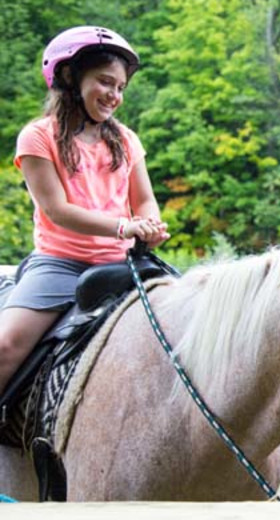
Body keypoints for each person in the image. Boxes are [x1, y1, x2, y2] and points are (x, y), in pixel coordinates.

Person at [0, 26, 170, 397]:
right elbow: (57, 210)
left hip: (124, 265)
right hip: (61, 264)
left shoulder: (126, 139)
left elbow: (143, 199)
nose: (115, 95)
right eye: (105, 82)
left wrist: (151, 225)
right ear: (69, 77)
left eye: (121, 87)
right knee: (5, 346)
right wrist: (124, 227)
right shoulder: (38, 137)